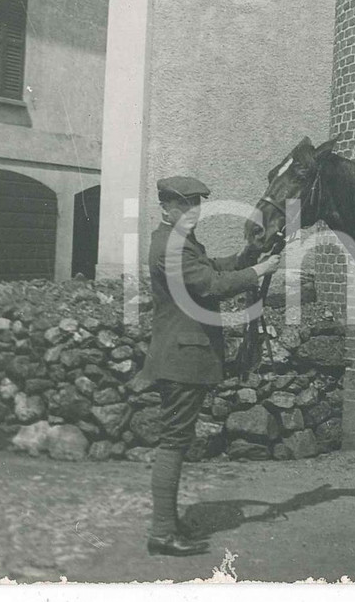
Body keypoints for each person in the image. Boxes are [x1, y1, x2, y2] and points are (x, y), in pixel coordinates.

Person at [141, 175, 280, 557]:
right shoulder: (170, 247)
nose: (192, 211)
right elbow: (210, 285)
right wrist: (259, 271)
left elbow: (212, 268)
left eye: (196, 204)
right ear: (166, 208)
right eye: (184, 205)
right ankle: (163, 532)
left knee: (177, 441)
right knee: (173, 442)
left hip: (183, 354)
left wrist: (245, 258)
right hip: (183, 357)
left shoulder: (180, 243)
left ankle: (167, 525)